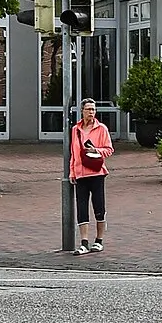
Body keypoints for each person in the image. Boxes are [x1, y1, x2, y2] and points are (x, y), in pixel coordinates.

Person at [70, 96, 115, 253]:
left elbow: (109, 149)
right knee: (82, 208)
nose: (91, 112)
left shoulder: (101, 129)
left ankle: (99, 240)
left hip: (97, 173)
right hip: (81, 174)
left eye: (93, 109)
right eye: (88, 109)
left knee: (99, 208)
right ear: (82, 111)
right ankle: (84, 242)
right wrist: (72, 172)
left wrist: (95, 150)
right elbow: (73, 153)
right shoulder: (75, 130)